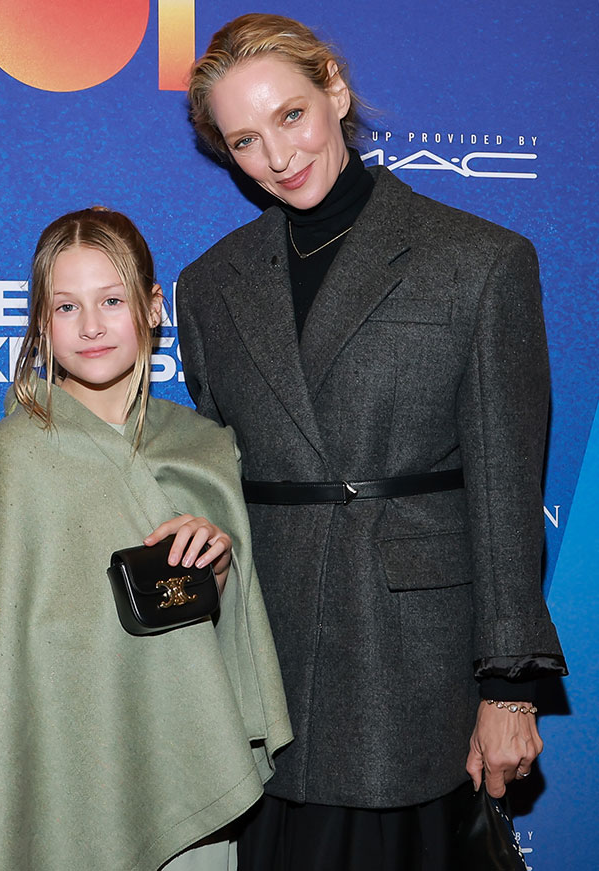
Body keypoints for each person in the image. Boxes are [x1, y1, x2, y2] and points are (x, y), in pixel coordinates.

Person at [176, 14, 567, 870]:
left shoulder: (478, 261)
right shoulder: (208, 285)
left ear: (336, 91)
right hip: (267, 663)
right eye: (245, 140)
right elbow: (210, 476)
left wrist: (509, 687)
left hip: (413, 661)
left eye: (290, 115)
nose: (278, 156)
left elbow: (506, 492)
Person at [0, 207, 292, 871]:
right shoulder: (12, 457)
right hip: (53, 772)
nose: (90, 326)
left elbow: (233, 647)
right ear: (41, 324)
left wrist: (216, 568)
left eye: (111, 300)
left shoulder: (205, 449)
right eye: (65, 306)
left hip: (184, 766)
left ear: (154, 306)